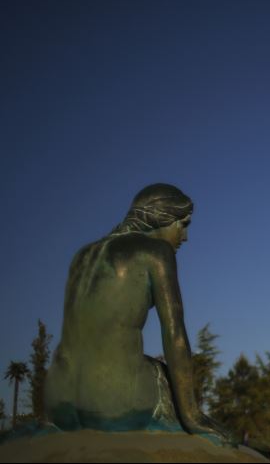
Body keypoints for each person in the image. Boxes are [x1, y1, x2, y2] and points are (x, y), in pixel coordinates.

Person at [44, 184, 228, 443]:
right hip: (113, 400)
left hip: (57, 397)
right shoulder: (157, 252)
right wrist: (192, 416)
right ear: (161, 217)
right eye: (183, 224)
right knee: (166, 377)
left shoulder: (82, 255)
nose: (184, 236)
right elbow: (174, 334)